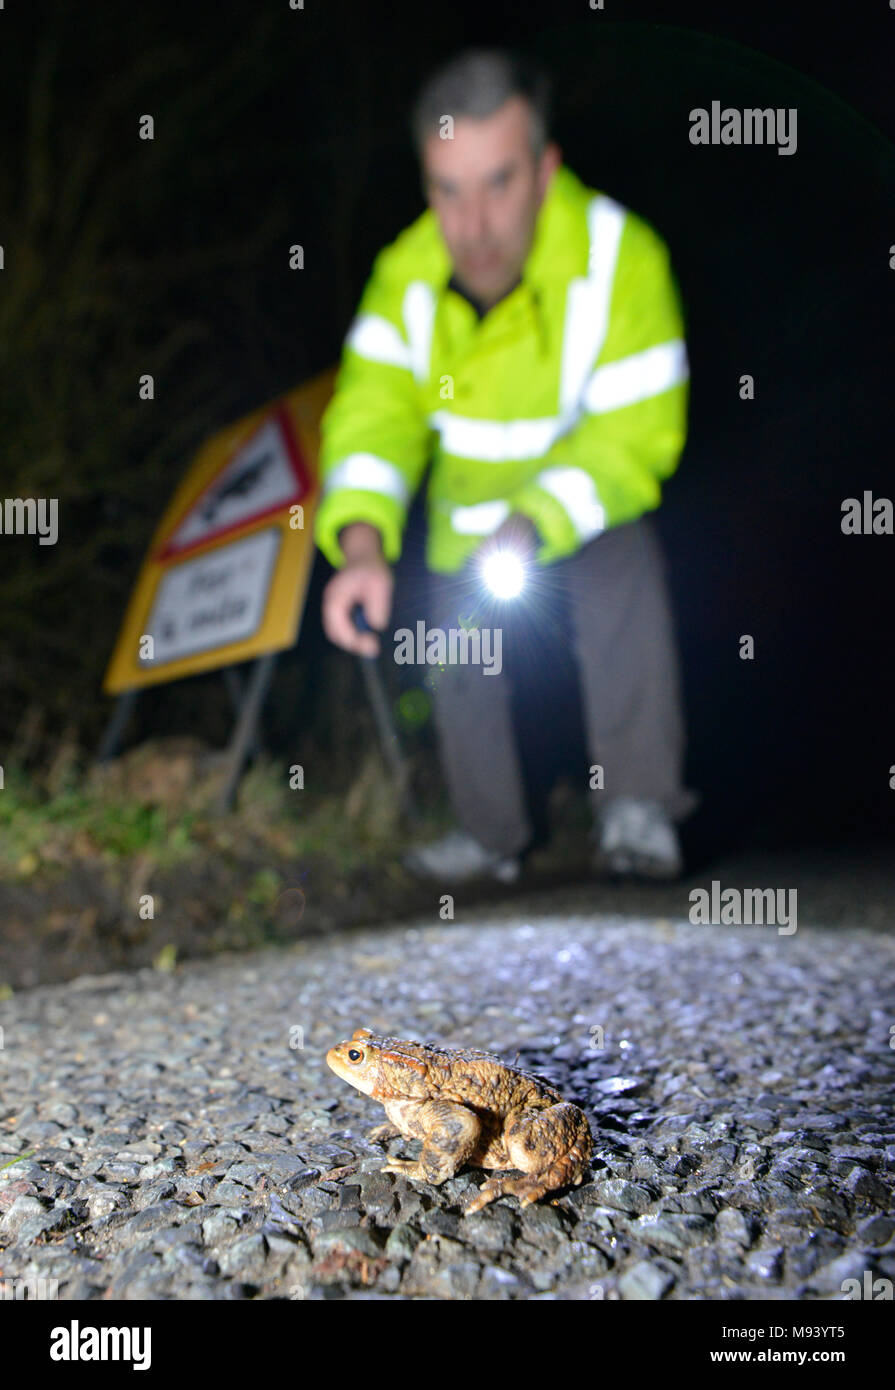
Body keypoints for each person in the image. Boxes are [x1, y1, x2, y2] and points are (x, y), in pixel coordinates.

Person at [314, 47, 697, 883]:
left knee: (624, 555)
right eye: (447, 189)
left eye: (498, 183)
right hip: (470, 534)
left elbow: (637, 435)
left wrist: (537, 519)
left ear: (545, 169)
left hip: (578, 510)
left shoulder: (621, 258)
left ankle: (636, 806)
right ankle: (490, 838)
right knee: (454, 619)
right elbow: (370, 423)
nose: (473, 224)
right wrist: (362, 548)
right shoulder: (402, 279)